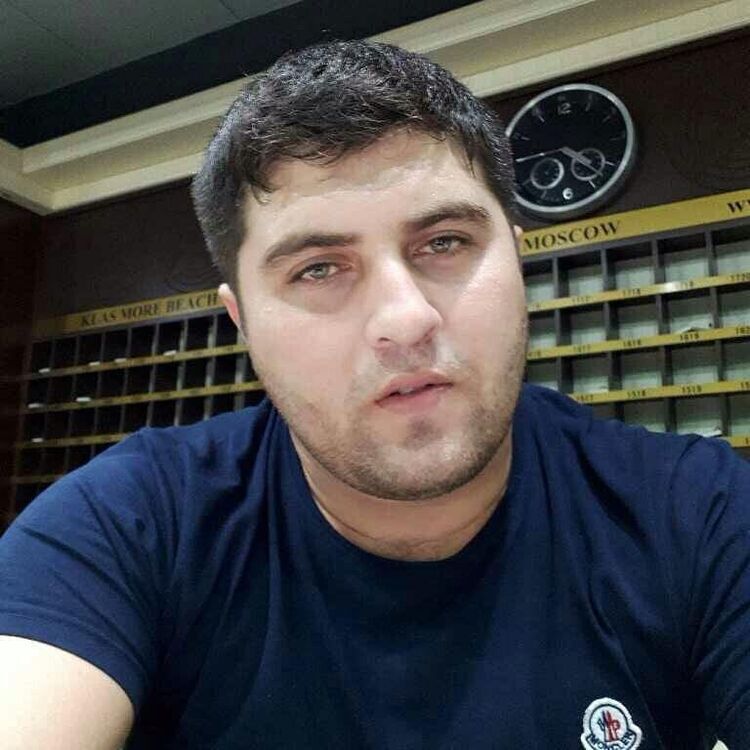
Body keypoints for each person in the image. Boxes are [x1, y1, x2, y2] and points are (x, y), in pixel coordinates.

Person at [0, 39, 748, 750]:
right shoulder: (126, 524)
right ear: (243, 322)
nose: (406, 319)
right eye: (319, 269)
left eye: (445, 242)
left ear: (517, 266)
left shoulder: (696, 510)